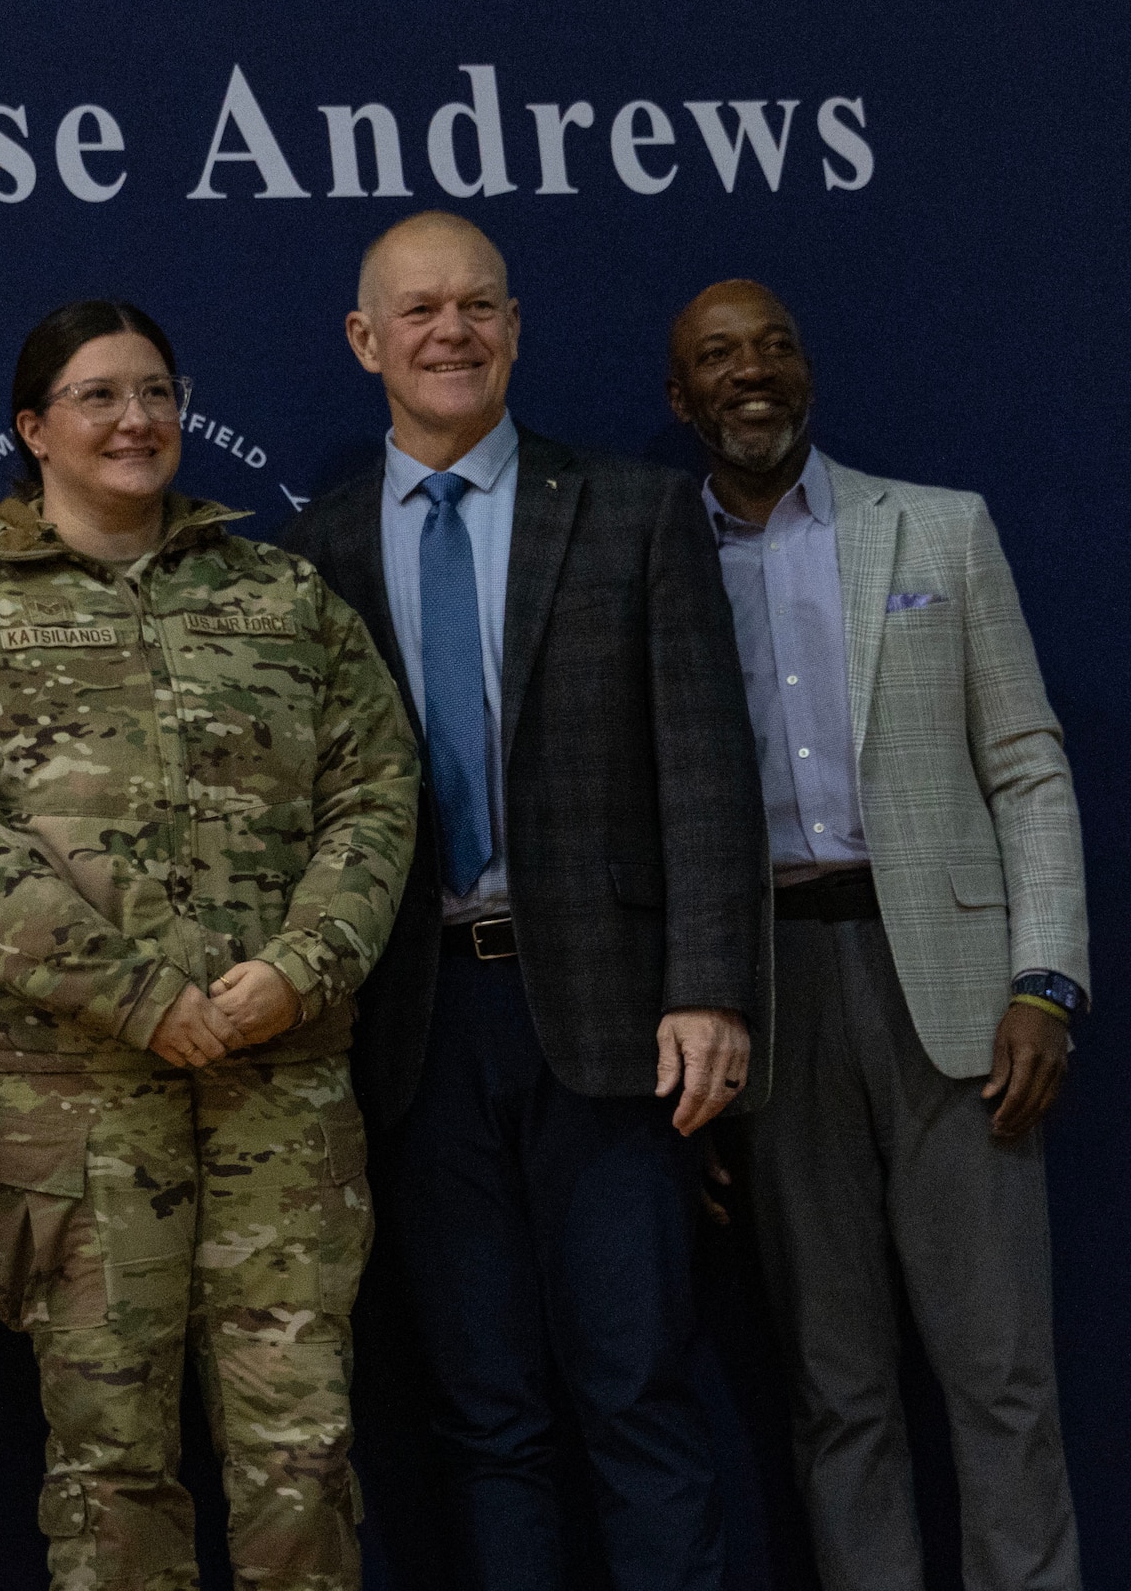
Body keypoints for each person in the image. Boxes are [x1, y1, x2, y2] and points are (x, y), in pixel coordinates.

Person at [0, 298, 420, 1590]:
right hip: (71, 1114)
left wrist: (301, 968)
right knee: (109, 1468)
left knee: (305, 1454)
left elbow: (376, 793)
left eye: (157, 391)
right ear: (34, 429)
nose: (136, 419)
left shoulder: (282, 594)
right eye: (101, 395)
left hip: (281, 1092)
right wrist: (139, 996)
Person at [284, 212, 768, 1591]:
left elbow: (707, 768)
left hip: (621, 1027)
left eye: (480, 307)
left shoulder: (628, 507)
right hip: (417, 1032)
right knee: (486, 1416)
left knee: (640, 1396)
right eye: (421, 312)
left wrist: (713, 984)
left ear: (515, 328)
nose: (454, 334)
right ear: (365, 341)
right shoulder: (309, 554)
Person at [669, 279, 1089, 1590]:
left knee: (1002, 1380)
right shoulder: (649, 561)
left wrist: (1047, 979)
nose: (755, 373)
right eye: (719, 358)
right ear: (679, 400)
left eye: (777, 345)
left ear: (808, 369)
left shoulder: (939, 530)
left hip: (959, 1000)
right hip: (770, 1005)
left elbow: (1026, 763)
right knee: (835, 1390)